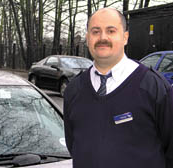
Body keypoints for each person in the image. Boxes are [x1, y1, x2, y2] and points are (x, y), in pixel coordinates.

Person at [63, 8, 173, 168]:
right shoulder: (74, 90)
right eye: (95, 31)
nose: (102, 38)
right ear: (87, 38)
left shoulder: (154, 87)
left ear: (125, 37)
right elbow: (74, 145)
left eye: (111, 31)